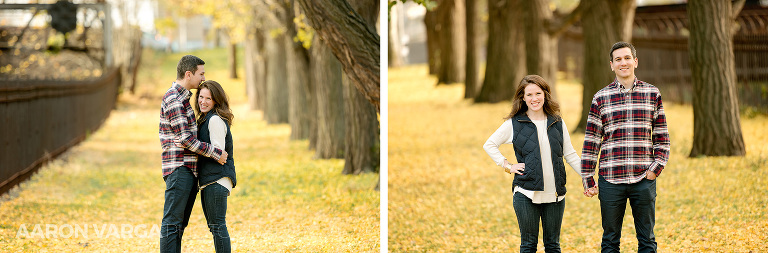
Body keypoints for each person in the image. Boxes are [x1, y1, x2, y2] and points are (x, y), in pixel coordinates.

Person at [483, 75, 592, 253]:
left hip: (555, 195)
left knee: (553, 246)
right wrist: (508, 166)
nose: (534, 99)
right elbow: (489, 144)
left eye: (538, 93)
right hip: (526, 193)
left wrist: (589, 178)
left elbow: (570, 155)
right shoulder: (514, 123)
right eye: (530, 95)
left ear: (545, 94)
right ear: (523, 98)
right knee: (528, 245)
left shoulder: (557, 122)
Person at [580, 41, 670, 253]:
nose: (623, 63)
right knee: (610, 241)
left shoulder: (652, 94)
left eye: (627, 58)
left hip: (643, 179)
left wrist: (655, 170)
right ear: (611, 65)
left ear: (635, 62)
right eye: (618, 59)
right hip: (611, 180)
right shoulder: (600, 98)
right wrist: (588, 178)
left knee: (647, 240)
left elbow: (662, 137)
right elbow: (592, 140)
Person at [159, 55, 227, 253]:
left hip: (189, 170)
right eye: (201, 74)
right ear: (188, 74)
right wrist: (216, 153)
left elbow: (187, 138)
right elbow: (186, 140)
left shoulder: (184, 99)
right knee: (172, 225)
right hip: (179, 169)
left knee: (178, 227)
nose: (203, 78)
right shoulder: (173, 98)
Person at [194, 80, 237, 253]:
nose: (203, 102)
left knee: (218, 227)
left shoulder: (214, 121)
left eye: (208, 99)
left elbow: (217, 152)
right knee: (215, 227)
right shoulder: (206, 119)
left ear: (216, 101)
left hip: (217, 180)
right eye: (201, 97)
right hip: (211, 180)